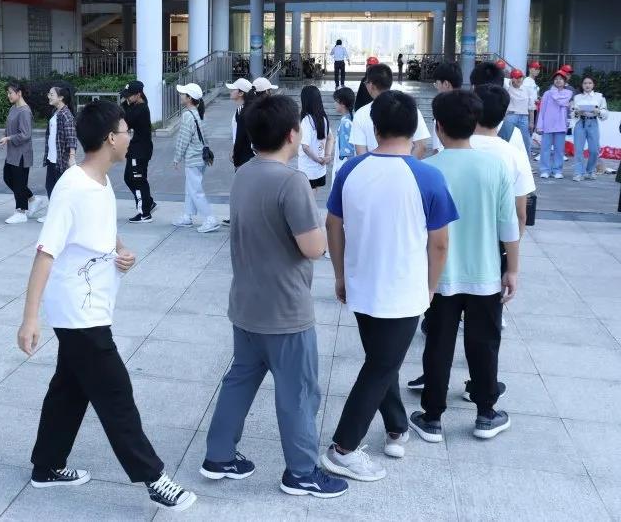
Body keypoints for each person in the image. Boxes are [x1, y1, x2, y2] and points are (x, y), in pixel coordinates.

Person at [16, 99, 197, 512]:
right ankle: (154, 478)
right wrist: (29, 318)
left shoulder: (99, 182)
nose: (130, 136)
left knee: (69, 388)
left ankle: (46, 465)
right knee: (115, 393)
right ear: (110, 139)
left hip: (92, 304)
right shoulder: (72, 187)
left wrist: (121, 250)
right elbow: (45, 253)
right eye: (126, 130)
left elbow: (98, 231)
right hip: (78, 312)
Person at [201, 94, 348, 499]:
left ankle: (219, 456)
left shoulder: (244, 173)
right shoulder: (291, 181)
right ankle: (301, 472)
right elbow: (313, 247)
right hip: (285, 310)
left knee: (240, 380)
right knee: (298, 391)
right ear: (292, 134)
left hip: (246, 304)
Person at [322, 90, 457, 482]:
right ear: (414, 128)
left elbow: (333, 224)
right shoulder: (428, 176)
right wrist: (430, 287)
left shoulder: (351, 169)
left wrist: (340, 275)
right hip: (403, 290)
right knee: (382, 364)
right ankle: (343, 448)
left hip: (361, 283)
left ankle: (396, 426)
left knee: (383, 359)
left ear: (375, 127)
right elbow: (440, 243)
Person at [410, 90, 518, 443]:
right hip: (485, 274)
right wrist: (513, 269)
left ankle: (432, 417)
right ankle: (486, 413)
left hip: (439, 276)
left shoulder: (427, 170)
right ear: (475, 124)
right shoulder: (495, 166)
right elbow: (508, 225)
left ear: (438, 127)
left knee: (438, 344)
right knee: (484, 344)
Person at [350, 64, 430, 159]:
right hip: (406, 166)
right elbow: (421, 146)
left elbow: (361, 153)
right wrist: (406, 166)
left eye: (366, 82)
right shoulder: (410, 108)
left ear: (371, 85)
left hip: (372, 167)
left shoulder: (361, 114)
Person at [172, 83, 218, 234]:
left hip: (193, 158)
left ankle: (210, 219)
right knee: (190, 188)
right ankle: (187, 216)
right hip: (201, 157)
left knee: (195, 190)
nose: (180, 96)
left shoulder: (188, 115)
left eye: (183, 94)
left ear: (189, 98)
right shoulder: (199, 113)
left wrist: (177, 158)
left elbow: (183, 139)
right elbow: (205, 137)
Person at [0, 81, 44, 223]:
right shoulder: (13, 108)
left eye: (10, 93)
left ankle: (21, 212)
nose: (8, 95)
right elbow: (9, 126)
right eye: (7, 93)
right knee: (8, 178)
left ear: (19, 93)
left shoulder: (25, 111)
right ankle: (32, 199)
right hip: (12, 152)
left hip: (22, 154)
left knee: (19, 182)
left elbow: (25, 134)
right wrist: (5, 136)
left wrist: (8, 138)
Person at [121, 80, 156, 223]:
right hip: (138, 148)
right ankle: (148, 202)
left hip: (140, 150)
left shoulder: (140, 109)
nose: (127, 98)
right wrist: (126, 103)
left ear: (138, 94)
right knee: (129, 177)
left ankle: (144, 214)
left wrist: (125, 105)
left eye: (129, 95)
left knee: (137, 180)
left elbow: (125, 122)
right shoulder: (137, 106)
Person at [42, 83, 78, 212]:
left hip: (61, 159)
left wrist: (71, 157)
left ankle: (61, 214)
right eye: (49, 94)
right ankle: (54, 213)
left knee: (60, 189)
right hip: (52, 158)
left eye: (51, 94)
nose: (49, 96)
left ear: (61, 97)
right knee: (50, 186)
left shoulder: (66, 115)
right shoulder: (55, 112)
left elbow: (71, 138)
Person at [535, 70, 573, 179]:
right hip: (547, 125)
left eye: (560, 79)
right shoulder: (547, 94)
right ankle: (544, 170)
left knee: (559, 150)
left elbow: (562, 102)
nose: (558, 81)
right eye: (556, 79)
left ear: (565, 81)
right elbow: (542, 110)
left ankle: (557, 170)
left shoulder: (568, 93)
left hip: (560, 125)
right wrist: (540, 125)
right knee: (545, 149)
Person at [570, 76, 609, 181]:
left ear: (593, 85)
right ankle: (578, 173)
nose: (587, 85)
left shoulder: (599, 97)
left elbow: (605, 113)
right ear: (582, 85)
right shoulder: (577, 97)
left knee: (594, 150)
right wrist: (577, 112)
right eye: (585, 83)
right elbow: (572, 113)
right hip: (580, 123)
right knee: (578, 149)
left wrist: (598, 112)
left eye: (590, 83)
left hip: (593, 123)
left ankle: (590, 171)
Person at [298, 84, 334, 190]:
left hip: (307, 169)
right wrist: (327, 155)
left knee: (308, 196)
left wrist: (318, 160)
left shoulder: (306, 121)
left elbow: (305, 147)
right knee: (314, 192)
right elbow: (331, 138)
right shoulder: (323, 118)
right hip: (319, 169)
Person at [500, 69, 536, 159]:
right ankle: (500, 158)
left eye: (520, 77)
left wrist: (531, 122)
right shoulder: (507, 87)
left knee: (526, 141)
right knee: (504, 139)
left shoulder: (527, 89)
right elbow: (500, 78)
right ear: (511, 78)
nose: (519, 79)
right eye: (516, 77)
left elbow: (531, 107)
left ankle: (527, 162)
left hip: (524, 117)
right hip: (511, 115)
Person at [429, 61, 463, 154]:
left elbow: (437, 149)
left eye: (436, 84)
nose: (436, 88)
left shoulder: (441, 109)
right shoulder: (472, 107)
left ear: (446, 84)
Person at [227, 78, 255, 171]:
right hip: (248, 157)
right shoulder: (246, 109)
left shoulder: (242, 111)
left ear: (241, 93)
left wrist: (236, 155)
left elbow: (241, 136)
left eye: (233, 89)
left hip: (244, 158)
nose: (230, 91)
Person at [331, 87, 356, 187]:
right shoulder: (350, 119)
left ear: (342, 103)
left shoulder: (345, 123)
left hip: (343, 167)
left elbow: (347, 152)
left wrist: (341, 171)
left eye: (336, 101)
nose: (334, 104)